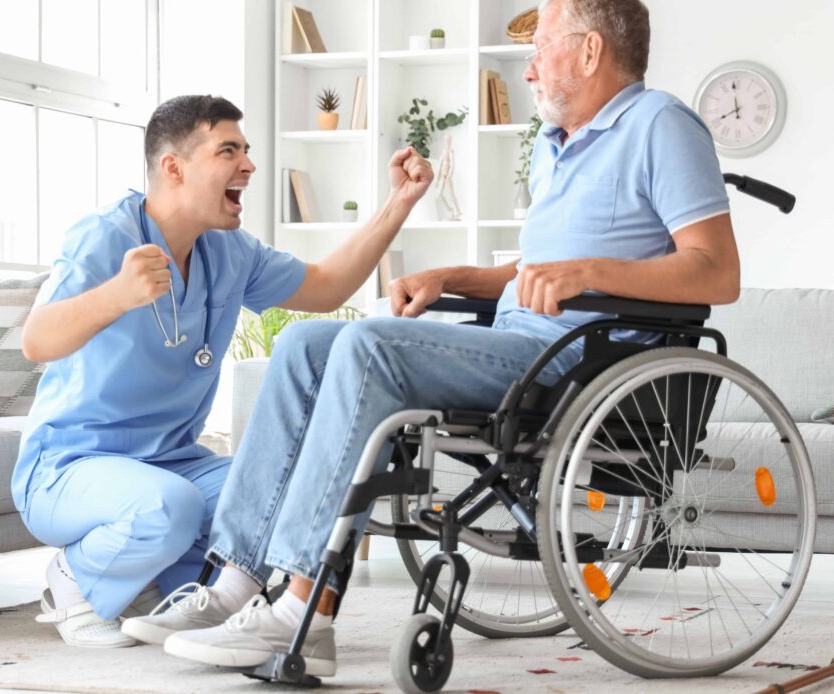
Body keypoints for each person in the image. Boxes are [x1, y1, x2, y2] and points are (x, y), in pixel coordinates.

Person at [149, 0, 743, 678]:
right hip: (518, 343)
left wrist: (587, 272)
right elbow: (534, 275)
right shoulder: (555, 146)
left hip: (583, 362)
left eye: (541, 48)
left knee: (370, 348)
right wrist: (451, 277)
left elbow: (717, 271)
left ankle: (304, 610)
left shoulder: (661, 125)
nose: (529, 69)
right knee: (304, 344)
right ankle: (235, 581)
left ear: (589, 52)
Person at [14, 94, 434, 648]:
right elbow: (36, 341)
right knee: (171, 506)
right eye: (228, 151)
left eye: (246, 150)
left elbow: (326, 287)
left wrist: (399, 203)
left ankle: (155, 586)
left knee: (277, 493)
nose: (249, 165)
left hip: (173, 462)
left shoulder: (230, 250)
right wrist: (116, 295)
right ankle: (72, 582)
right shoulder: (107, 235)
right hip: (69, 467)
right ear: (174, 167)